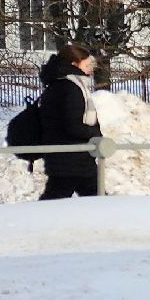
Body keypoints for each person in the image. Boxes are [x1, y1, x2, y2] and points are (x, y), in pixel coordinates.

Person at [36, 43, 103, 200]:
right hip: (71, 158)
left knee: (94, 197)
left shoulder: (59, 84)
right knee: (57, 199)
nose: (91, 69)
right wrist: (95, 134)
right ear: (74, 64)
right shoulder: (71, 88)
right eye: (87, 65)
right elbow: (73, 125)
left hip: (70, 156)